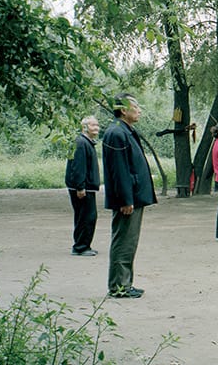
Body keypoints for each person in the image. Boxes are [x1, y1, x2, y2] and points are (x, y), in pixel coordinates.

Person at [101, 95, 156, 299]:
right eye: (136, 106)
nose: (139, 110)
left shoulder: (124, 131)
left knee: (129, 241)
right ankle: (119, 286)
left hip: (133, 196)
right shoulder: (116, 132)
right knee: (124, 241)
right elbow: (119, 170)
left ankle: (125, 283)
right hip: (127, 198)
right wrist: (126, 199)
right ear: (123, 110)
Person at [65, 115, 101, 256]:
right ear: (85, 127)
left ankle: (84, 245)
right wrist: (80, 187)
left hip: (86, 187)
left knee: (87, 216)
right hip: (82, 188)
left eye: (97, 125)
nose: (96, 128)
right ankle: (80, 247)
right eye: (93, 125)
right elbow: (78, 167)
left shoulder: (86, 142)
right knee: (86, 217)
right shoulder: (81, 143)